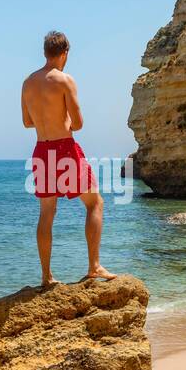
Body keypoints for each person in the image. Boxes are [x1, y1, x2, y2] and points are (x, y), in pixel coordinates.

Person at [21, 30, 116, 287]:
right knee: (95, 202)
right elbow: (79, 123)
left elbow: (27, 122)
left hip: (41, 149)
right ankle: (94, 266)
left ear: (44, 53)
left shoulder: (28, 82)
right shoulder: (64, 80)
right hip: (65, 148)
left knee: (47, 213)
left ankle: (46, 277)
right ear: (64, 53)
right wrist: (64, 122)